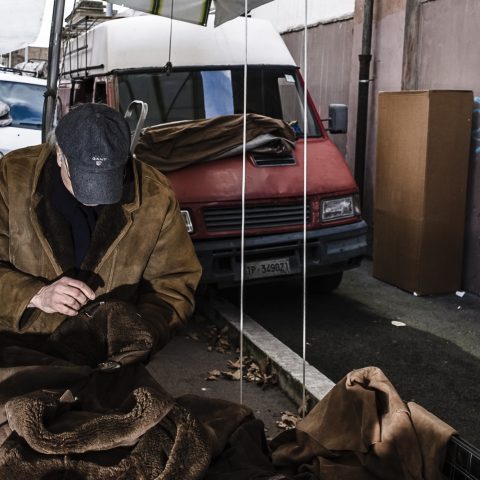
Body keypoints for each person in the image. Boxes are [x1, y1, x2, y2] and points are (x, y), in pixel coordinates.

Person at [0, 103, 202, 354]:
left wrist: (138, 334)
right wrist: (35, 295)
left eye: (108, 181)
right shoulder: (12, 176)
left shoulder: (155, 193)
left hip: (105, 359)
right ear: (60, 155)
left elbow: (174, 283)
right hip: (19, 351)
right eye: (84, 181)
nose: (96, 196)